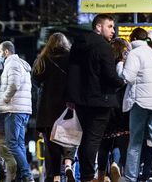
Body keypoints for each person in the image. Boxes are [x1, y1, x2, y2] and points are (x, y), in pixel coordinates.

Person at [67, 14, 125, 182]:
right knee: (93, 140)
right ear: (98, 27)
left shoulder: (77, 46)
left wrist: (71, 96)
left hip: (81, 102)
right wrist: (121, 81)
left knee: (85, 138)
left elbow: (71, 74)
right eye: (110, 26)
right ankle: (87, 176)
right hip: (101, 100)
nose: (113, 31)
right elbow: (110, 75)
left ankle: (86, 175)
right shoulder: (103, 46)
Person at [117, 27, 152, 182]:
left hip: (140, 102)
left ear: (132, 40)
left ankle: (130, 177)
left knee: (135, 142)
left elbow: (128, 77)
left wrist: (120, 66)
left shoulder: (135, 53)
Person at [32, 32, 76, 182]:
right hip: (67, 108)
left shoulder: (44, 58)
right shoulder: (72, 58)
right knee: (69, 139)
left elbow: (36, 79)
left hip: (48, 110)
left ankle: (55, 177)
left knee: (51, 147)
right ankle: (68, 165)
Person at [0, 41, 33, 182]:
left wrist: (5, 99)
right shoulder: (21, 64)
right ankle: (22, 175)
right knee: (18, 144)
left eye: (0, 52)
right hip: (22, 110)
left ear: (6, 52)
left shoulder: (12, 63)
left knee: (11, 143)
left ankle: (26, 174)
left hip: (14, 109)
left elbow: (14, 84)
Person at [96, 38, 131, 182]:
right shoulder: (125, 65)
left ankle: (101, 175)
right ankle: (116, 164)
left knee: (104, 142)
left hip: (106, 106)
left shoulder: (104, 65)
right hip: (121, 107)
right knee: (119, 140)